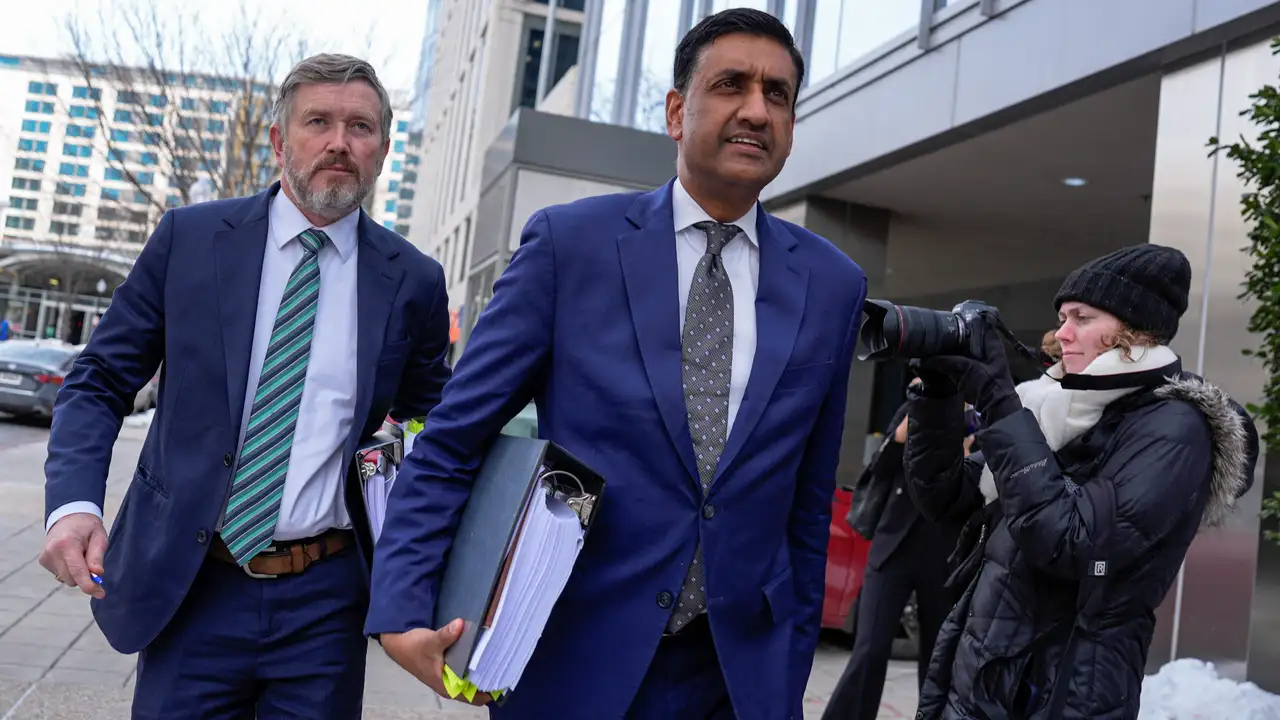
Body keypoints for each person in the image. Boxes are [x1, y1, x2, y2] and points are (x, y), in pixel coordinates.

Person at [365, 8, 868, 720]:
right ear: (675, 111)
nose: (757, 109)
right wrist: (402, 605)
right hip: (575, 663)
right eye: (731, 85)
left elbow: (808, 506)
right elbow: (453, 440)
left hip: (739, 680)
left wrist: (785, 676)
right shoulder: (571, 248)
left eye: (778, 94)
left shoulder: (834, 284)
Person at [40, 54, 452, 718]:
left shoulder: (414, 282)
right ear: (278, 141)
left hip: (327, 601)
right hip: (193, 583)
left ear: (382, 149)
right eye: (317, 121)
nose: (339, 143)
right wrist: (73, 507)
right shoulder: (190, 241)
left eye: (361, 127)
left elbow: (439, 427)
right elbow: (100, 380)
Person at [903, 244, 1259, 720]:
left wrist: (998, 403)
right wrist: (938, 397)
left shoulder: (1174, 428)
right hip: (987, 676)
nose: (1062, 333)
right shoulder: (1057, 409)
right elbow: (944, 497)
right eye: (1062, 316)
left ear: (1135, 330)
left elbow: (1072, 544)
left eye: (1082, 317)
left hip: (1062, 690)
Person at [822, 376, 975, 720]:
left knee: (938, 657)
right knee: (870, 650)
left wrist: (966, 457)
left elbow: (976, 492)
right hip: (893, 544)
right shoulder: (912, 410)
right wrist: (898, 438)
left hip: (944, 552)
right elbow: (879, 468)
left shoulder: (975, 422)